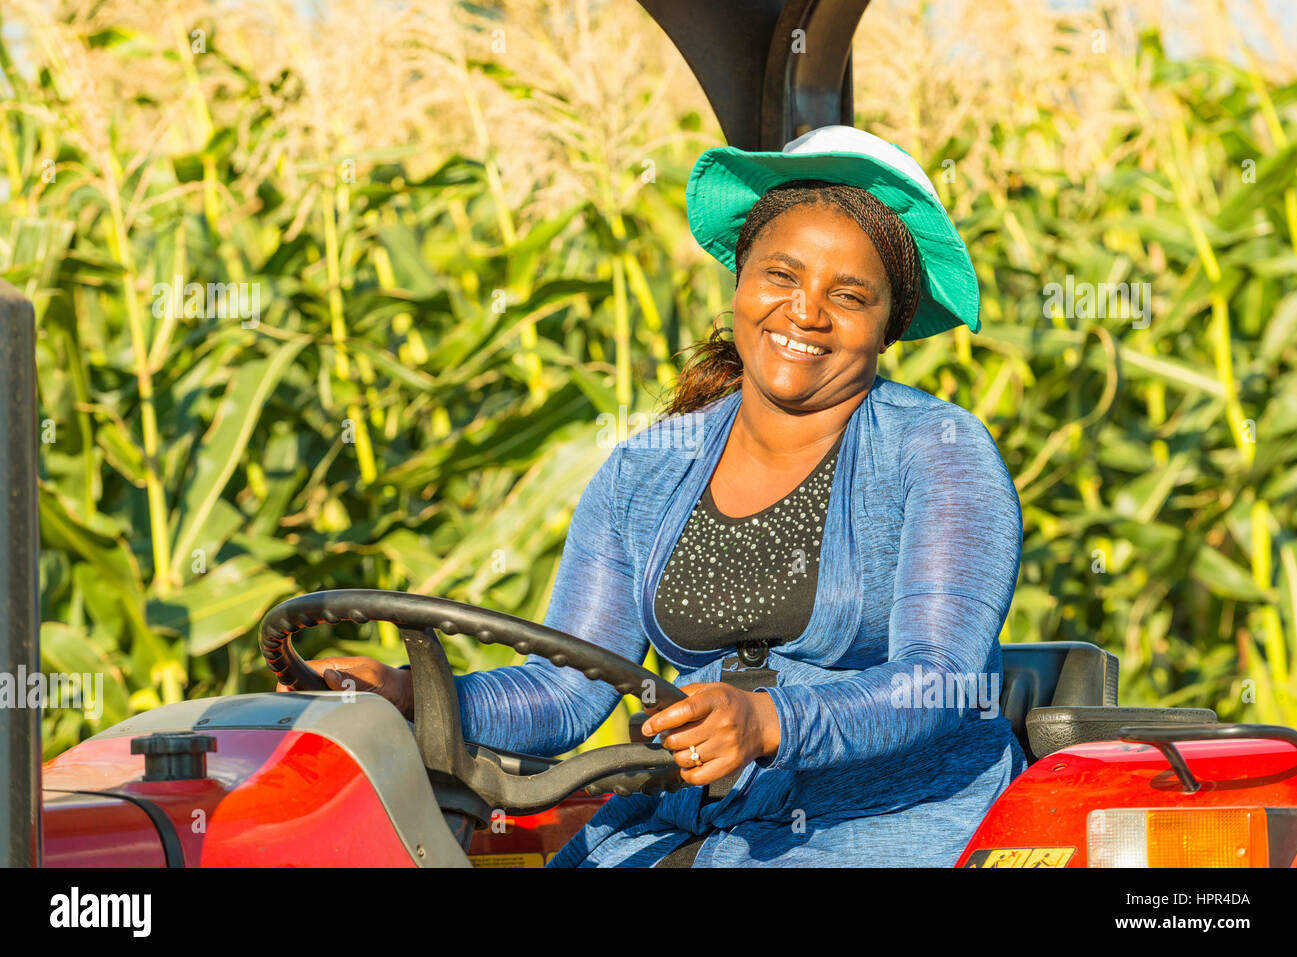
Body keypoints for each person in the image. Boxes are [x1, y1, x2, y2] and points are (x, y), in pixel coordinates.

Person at [284, 125, 1027, 867]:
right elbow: (566, 689)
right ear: (740, 281)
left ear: (887, 326)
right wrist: (415, 692)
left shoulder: (938, 452)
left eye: (849, 295)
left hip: (886, 820)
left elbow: (940, 680)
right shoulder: (650, 464)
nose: (805, 312)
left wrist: (772, 721)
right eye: (781, 276)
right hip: (690, 817)